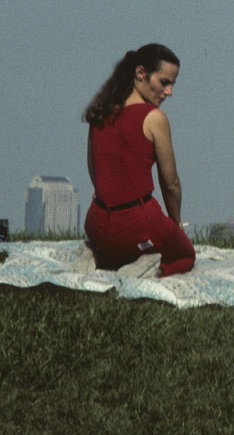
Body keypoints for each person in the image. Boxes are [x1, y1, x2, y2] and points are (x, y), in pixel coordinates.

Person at [82, 43, 195, 276]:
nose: (169, 92)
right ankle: (150, 269)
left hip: (97, 226)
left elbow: (95, 174)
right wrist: (176, 224)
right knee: (185, 254)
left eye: (172, 84)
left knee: (120, 249)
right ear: (141, 73)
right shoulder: (154, 118)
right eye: (164, 82)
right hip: (138, 225)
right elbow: (171, 184)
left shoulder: (99, 113)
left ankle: (101, 258)